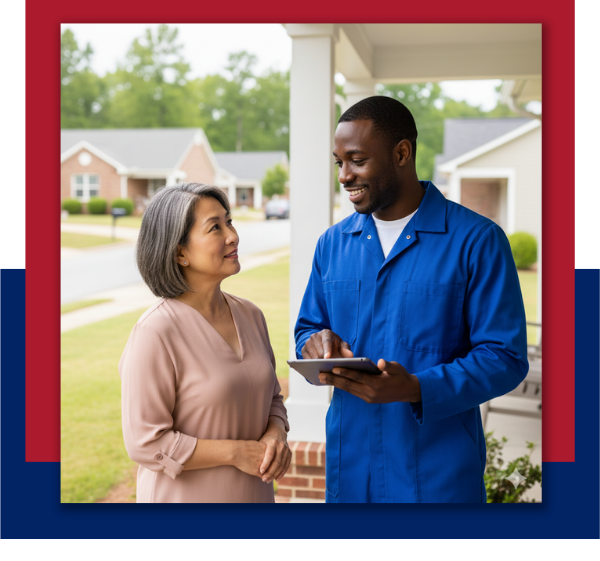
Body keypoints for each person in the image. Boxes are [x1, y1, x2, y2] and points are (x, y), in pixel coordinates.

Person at [295, 96, 529, 503]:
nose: (345, 176)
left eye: (357, 160)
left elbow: (505, 357)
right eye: (339, 163)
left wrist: (418, 387)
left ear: (402, 153)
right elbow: (308, 328)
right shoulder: (332, 245)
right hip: (351, 476)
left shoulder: (477, 241)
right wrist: (314, 342)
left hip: (437, 480)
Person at [119, 182, 291, 503]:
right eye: (215, 227)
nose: (232, 235)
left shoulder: (252, 315)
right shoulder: (155, 331)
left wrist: (275, 435)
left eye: (229, 221)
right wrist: (235, 452)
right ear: (179, 252)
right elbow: (145, 442)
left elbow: (273, 400)